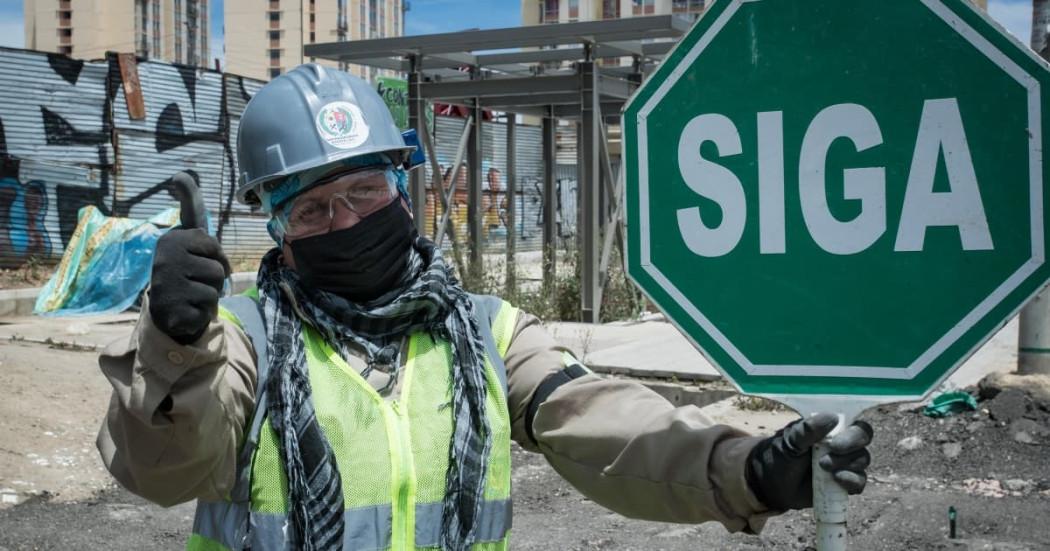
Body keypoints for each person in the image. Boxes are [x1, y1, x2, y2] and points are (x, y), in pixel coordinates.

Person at [96, 64, 873, 551]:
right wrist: (171, 342)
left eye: (365, 192)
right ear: (278, 228)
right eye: (313, 209)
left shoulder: (487, 332)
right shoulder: (241, 342)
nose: (348, 222)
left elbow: (610, 427)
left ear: (402, 187)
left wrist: (747, 469)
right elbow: (162, 471)